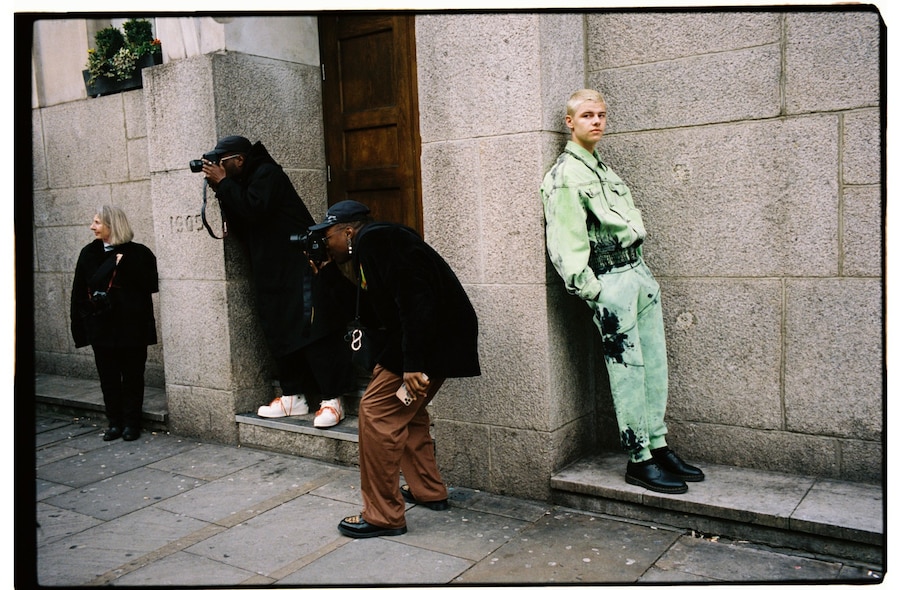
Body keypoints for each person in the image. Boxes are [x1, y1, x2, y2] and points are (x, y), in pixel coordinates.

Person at [540, 89, 704, 494]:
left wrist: (643, 275)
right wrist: (593, 290)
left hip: (638, 275)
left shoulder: (603, 169)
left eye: (601, 114)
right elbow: (565, 241)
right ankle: (638, 458)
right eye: (587, 115)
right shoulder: (567, 174)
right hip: (610, 281)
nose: (596, 121)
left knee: (655, 366)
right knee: (629, 373)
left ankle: (658, 445)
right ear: (570, 122)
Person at [310, 200, 481, 538]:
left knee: (376, 414)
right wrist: (328, 273)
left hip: (430, 341)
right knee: (408, 411)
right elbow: (374, 314)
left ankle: (383, 515)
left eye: (326, 236)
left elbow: (416, 300)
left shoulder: (377, 241)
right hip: (436, 337)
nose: (323, 243)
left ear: (347, 230)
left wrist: (412, 364)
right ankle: (427, 489)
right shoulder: (371, 246)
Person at [202, 135, 354, 428]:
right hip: (270, 269)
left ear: (240, 160)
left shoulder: (267, 174)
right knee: (278, 328)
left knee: (314, 329)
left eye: (222, 163)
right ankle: (293, 395)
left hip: (298, 266)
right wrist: (222, 189)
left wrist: (224, 184)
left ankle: (332, 398)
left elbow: (255, 208)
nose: (217, 168)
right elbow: (244, 222)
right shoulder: (243, 180)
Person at [71, 205, 158, 442]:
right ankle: (114, 423)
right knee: (108, 378)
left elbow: (151, 285)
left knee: (132, 377)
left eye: (97, 222)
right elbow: (78, 292)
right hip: (102, 328)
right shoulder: (88, 253)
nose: (92, 227)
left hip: (132, 328)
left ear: (113, 225)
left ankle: (132, 423)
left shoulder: (139, 253)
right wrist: (80, 329)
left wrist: (123, 264)